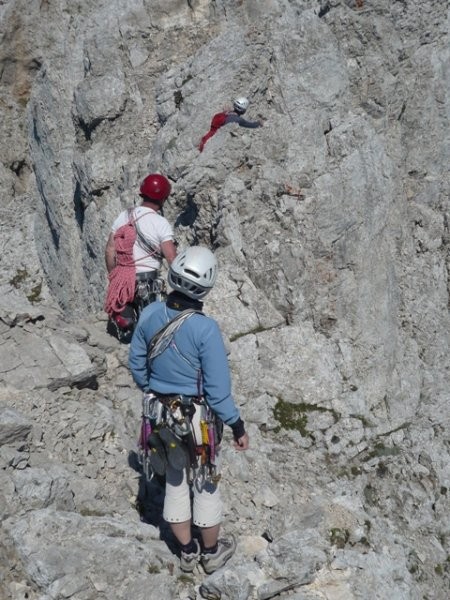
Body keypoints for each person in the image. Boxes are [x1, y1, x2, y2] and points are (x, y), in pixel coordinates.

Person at [128, 246, 249, 574]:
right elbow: (217, 391)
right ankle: (211, 553)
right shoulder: (205, 329)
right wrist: (237, 426)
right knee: (206, 482)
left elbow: (137, 362)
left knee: (175, 480)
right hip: (197, 421)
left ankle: (187, 551)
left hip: (160, 414)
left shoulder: (151, 313)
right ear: (207, 287)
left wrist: (151, 389)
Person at [104, 173, 177, 341]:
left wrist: (115, 278)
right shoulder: (160, 223)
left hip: (124, 280)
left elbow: (110, 250)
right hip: (149, 283)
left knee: (127, 325)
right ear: (163, 198)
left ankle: (126, 327)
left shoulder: (124, 216)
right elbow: (172, 258)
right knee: (153, 331)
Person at [198, 96, 263, 152]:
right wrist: (259, 123)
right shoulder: (238, 120)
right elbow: (250, 125)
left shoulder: (224, 114)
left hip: (207, 139)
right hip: (216, 145)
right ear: (243, 111)